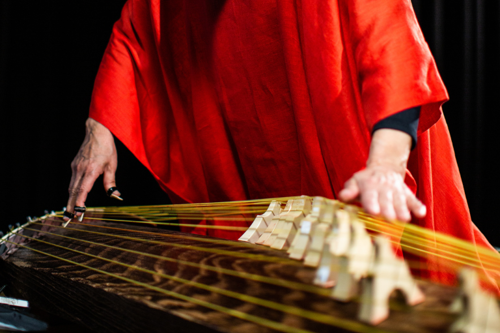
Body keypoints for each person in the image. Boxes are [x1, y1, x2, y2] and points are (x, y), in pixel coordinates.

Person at [64, 0, 498, 286]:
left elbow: (393, 46)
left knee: (410, 285)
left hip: (357, 142)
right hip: (251, 152)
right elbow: (136, 26)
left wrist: (385, 165)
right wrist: (99, 127)